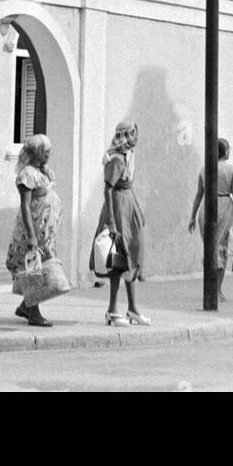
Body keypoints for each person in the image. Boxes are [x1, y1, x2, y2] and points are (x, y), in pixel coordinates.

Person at [90, 119, 149, 326]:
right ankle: (112, 310)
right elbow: (108, 189)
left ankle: (132, 309)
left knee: (132, 254)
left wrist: (137, 209)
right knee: (117, 257)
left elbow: (128, 185)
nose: (135, 137)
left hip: (129, 204)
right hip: (117, 208)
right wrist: (113, 222)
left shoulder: (129, 156)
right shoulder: (117, 160)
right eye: (133, 133)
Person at [5, 133, 63, 328]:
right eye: (45, 152)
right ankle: (34, 313)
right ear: (37, 153)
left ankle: (26, 306)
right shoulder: (27, 174)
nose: (48, 155)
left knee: (42, 266)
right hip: (33, 230)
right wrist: (31, 234)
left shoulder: (42, 171)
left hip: (44, 231)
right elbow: (26, 205)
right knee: (34, 269)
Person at [187, 137, 233, 300]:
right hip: (224, 208)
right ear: (225, 151)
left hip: (206, 208)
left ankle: (210, 288)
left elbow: (199, 194)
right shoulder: (231, 170)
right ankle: (217, 290)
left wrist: (193, 216)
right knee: (222, 249)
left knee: (211, 248)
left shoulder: (203, 169)